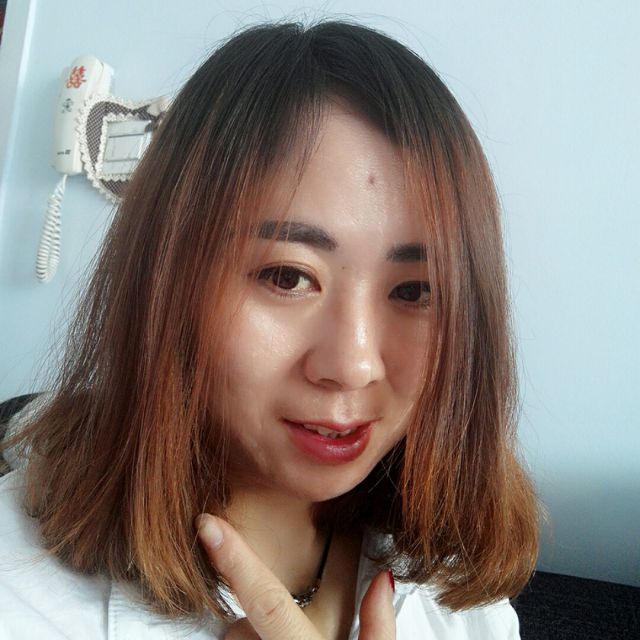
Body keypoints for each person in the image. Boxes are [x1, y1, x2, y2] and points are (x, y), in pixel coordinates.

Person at [0, 20, 539, 639]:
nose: (354, 365)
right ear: (168, 284)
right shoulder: (20, 598)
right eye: (288, 277)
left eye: (415, 291)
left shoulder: (461, 598)